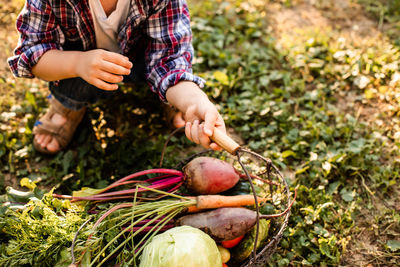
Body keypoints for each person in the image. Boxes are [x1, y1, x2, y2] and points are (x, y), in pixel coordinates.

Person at [8, 0, 226, 154]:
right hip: (78, 61)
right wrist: (77, 63)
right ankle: (69, 105)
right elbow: (33, 53)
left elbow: (169, 59)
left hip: (141, 57)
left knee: (170, 79)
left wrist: (194, 101)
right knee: (70, 80)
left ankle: (171, 97)